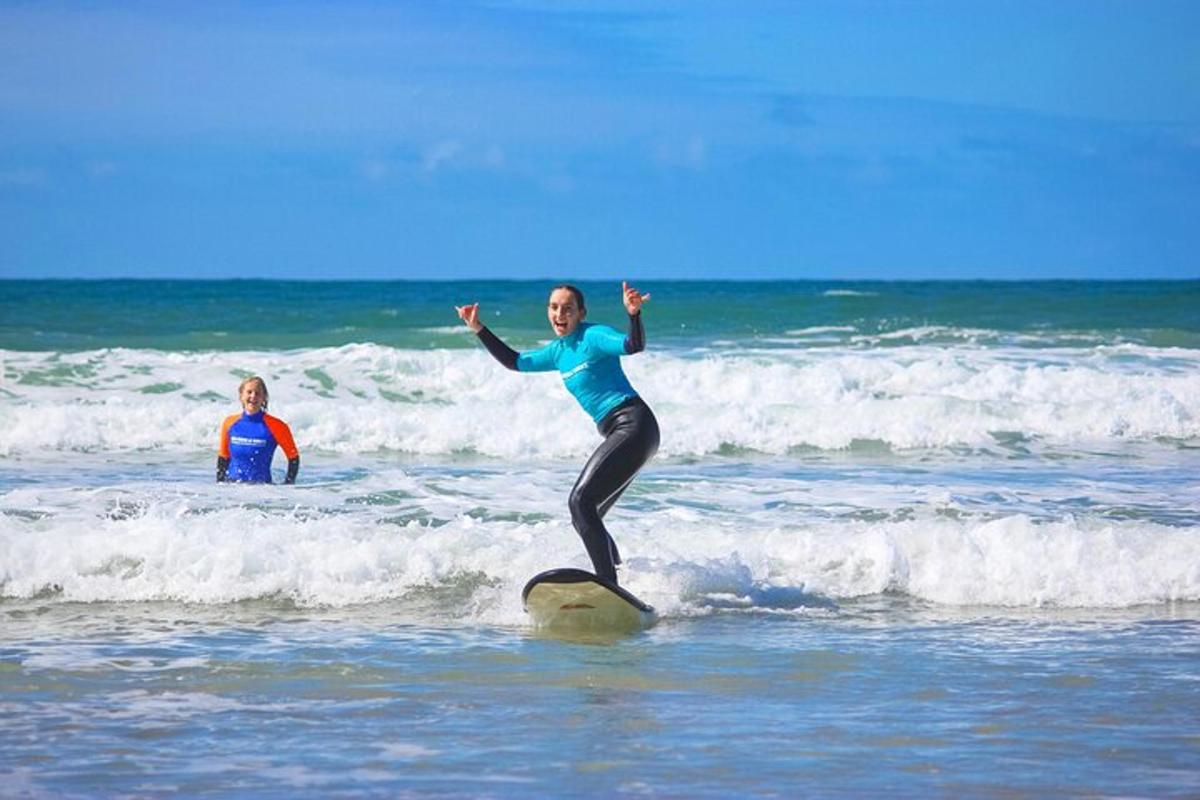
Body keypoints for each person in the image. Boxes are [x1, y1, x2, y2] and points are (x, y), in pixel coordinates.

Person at [456, 282, 659, 584]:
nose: (559, 314)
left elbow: (633, 345)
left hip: (633, 424)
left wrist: (634, 315)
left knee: (580, 503)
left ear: (581, 313)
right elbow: (515, 362)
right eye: (554, 307)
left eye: (567, 308)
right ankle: (619, 580)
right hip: (624, 431)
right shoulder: (558, 351)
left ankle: (606, 584)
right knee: (588, 516)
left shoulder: (593, 336)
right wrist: (478, 328)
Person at [216, 376, 300, 484]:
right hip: (232, 488)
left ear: (264, 397)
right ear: (241, 395)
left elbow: (293, 458)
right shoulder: (229, 423)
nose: (253, 396)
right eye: (249, 392)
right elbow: (223, 458)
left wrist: (288, 485)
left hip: (262, 490)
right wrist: (219, 488)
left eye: (258, 393)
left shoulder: (277, 426)